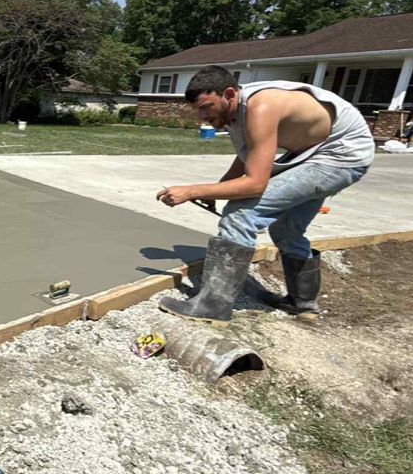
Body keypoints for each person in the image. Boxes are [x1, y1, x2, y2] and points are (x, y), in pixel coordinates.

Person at [155, 66, 374, 325]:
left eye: (206, 107)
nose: (202, 116)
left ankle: (212, 305)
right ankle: (302, 303)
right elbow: (249, 155)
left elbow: (255, 184)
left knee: (241, 213)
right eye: (198, 110)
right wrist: (219, 188)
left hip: (341, 155)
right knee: (286, 230)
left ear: (228, 94)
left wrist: (193, 190)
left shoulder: (261, 107)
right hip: (312, 153)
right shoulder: (235, 112)